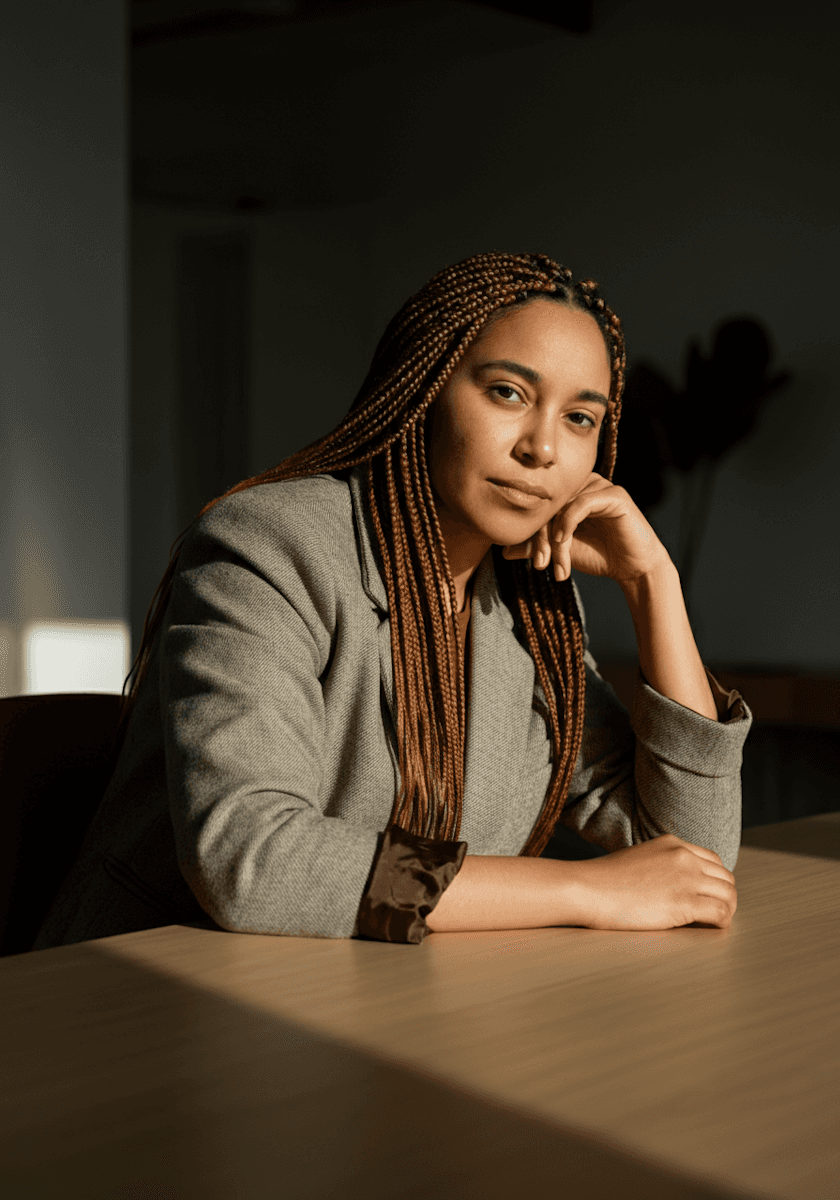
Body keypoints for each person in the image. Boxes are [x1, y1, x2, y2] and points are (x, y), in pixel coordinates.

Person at [34, 251, 750, 951]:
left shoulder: (530, 606)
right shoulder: (269, 545)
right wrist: (582, 891)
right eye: (508, 392)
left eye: (581, 419)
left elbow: (691, 858)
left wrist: (653, 582)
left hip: (387, 1005)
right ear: (424, 389)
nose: (543, 448)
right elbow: (248, 858)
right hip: (149, 1000)